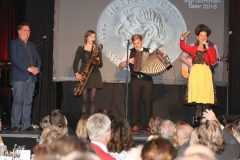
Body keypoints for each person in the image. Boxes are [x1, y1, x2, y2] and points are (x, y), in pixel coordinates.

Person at [119, 34, 165, 131]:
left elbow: (160, 57)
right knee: (135, 102)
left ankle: (149, 125)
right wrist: (128, 61)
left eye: (138, 43)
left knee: (148, 102)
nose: (136, 45)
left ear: (142, 41)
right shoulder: (129, 52)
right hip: (135, 79)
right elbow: (120, 65)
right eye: (134, 43)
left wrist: (162, 54)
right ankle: (136, 124)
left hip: (147, 79)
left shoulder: (149, 51)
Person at [9, 22, 41, 131]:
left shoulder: (32, 45)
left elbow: (38, 59)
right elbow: (14, 58)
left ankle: (26, 124)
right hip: (19, 76)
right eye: (25, 30)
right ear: (19, 31)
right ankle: (15, 124)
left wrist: (37, 68)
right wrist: (28, 68)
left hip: (31, 77)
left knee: (28, 101)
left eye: (29, 31)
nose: (27, 33)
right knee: (18, 101)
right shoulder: (14, 43)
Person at [180, 25, 217, 117]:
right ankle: (197, 123)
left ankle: (206, 124)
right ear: (198, 37)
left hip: (205, 74)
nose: (203, 37)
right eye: (201, 35)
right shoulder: (193, 48)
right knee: (197, 101)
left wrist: (207, 47)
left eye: (205, 36)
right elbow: (183, 46)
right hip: (196, 74)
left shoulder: (211, 49)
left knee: (205, 100)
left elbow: (213, 60)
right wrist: (182, 38)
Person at [73, 30, 103, 115]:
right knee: (84, 100)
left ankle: (91, 121)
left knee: (92, 100)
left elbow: (101, 65)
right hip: (84, 75)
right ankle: (84, 121)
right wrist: (77, 73)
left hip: (94, 75)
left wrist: (97, 60)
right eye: (91, 36)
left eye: (94, 36)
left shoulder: (97, 50)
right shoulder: (81, 49)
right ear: (86, 38)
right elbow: (75, 63)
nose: (93, 38)